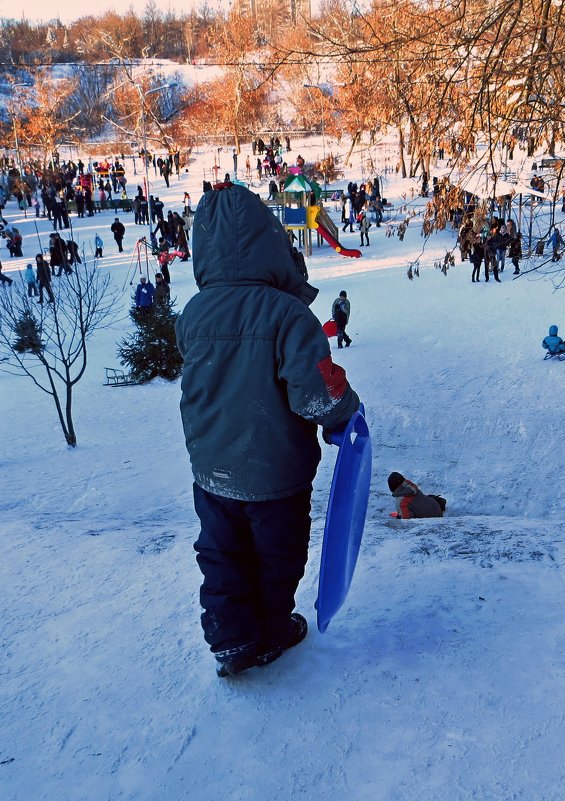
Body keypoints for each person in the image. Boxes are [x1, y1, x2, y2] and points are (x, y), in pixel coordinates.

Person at [176, 184, 360, 678]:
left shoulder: (192, 313)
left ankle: (231, 638)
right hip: (275, 473)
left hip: (211, 469)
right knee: (277, 556)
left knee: (220, 552)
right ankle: (272, 630)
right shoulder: (287, 315)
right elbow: (316, 392)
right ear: (269, 241)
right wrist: (346, 413)